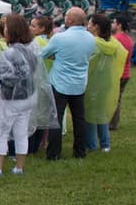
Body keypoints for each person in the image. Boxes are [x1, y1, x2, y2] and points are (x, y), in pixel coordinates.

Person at [0, 14, 45, 177]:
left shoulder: (10, 53)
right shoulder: (31, 50)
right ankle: (19, 167)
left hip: (11, 100)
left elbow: (6, 79)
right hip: (29, 97)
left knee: (1, 132)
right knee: (21, 133)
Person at [41, 8, 98, 160]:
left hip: (60, 82)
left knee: (56, 119)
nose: (64, 18)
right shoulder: (90, 38)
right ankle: (80, 151)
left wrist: (57, 57)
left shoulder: (60, 38)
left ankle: (54, 153)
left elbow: (43, 54)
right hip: (79, 83)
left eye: (66, 16)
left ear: (70, 20)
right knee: (79, 119)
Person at [83, 14, 129, 153]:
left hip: (92, 82)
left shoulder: (92, 43)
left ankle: (91, 145)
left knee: (90, 114)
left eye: (90, 24)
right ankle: (105, 144)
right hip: (107, 82)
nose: (88, 26)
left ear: (96, 26)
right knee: (101, 114)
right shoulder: (114, 43)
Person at [108, 15, 134, 130]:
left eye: (114, 22)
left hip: (118, 73)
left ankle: (112, 123)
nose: (112, 25)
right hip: (126, 73)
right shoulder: (128, 39)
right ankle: (113, 122)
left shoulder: (116, 39)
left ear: (119, 25)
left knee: (113, 99)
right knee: (117, 99)